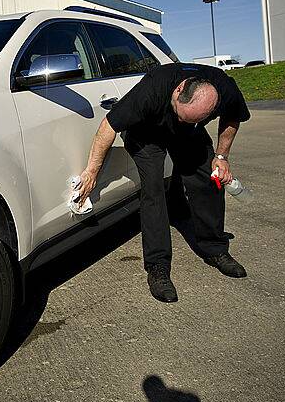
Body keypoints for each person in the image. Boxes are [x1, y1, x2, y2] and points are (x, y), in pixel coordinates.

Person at [76, 63, 251, 303]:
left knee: (208, 181)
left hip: (189, 134)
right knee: (154, 191)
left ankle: (215, 249)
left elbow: (233, 118)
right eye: (181, 114)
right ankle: (157, 267)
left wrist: (221, 157)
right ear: (179, 90)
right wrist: (91, 172)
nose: (182, 120)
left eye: (191, 118)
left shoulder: (224, 88)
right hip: (145, 134)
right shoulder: (153, 89)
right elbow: (108, 127)